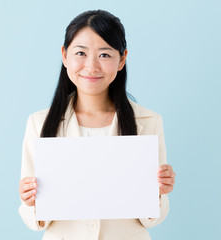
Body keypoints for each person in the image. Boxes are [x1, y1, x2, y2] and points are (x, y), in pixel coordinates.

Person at [18, 9, 176, 240]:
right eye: (80, 53)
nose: (91, 67)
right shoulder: (39, 123)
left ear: (122, 59)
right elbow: (34, 221)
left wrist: (159, 192)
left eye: (104, 55)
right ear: (64, 56)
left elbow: (152, 219)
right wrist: (30, 201)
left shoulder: (149, 122)